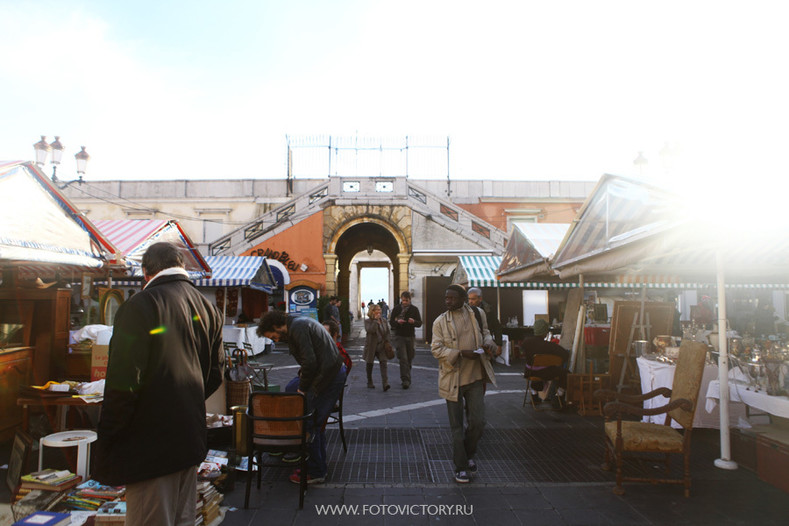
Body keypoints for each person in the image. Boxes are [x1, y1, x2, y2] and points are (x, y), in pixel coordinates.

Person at [95, 242, 224, 526]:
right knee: (182, 519)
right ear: (183, 266)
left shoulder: (140, 305)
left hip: (150, 445)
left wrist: (109, 435)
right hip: (189, 437)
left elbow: (124, 382)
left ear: (145, 272)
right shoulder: (208, 307)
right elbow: (215, 374)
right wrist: (185, 402)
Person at [258, 310, 346, 485]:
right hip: (329, 373)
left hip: (328, 376)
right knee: (315, 421)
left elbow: (310, 361)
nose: (275, 340)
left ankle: (316, 471)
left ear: (276, 326)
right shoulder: (298, 324)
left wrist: (303, 388)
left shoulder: (297, 327)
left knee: (309, 421)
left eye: (274, 336)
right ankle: (318, 465)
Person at [431, 284, 497, 484]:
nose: (448, 301)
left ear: (462, 298)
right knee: (456, 426)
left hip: (476, 376)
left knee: (478, 422)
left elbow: (486, 332)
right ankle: (461, 467)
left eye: (452, 298)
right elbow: (436, 349)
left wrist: (489, 343)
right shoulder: (440, 322)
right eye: (446, 298)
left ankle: (468, 454)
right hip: (453, 379)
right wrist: (459, 353)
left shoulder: (477, 313)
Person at [521, 319, 569, 411]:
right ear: (545, 332)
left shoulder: (526, 342)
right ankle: (558, 396)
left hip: (530, 372)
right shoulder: (549, 346)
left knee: (535, 369)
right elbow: (565, 355)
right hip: (546, 373)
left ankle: (535, 397)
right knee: (565, 373)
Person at [389, 291, 422, 389]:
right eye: (403, 300)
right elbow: (391, 322)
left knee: (410, 357)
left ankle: (406, 375)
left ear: (409, 300)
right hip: (399, 336)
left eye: (406, 301)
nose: (404, 302)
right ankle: (405, 380)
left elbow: (419, 323)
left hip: (410, 336)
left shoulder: (414, 309)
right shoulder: (397, 309)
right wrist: (397, 322)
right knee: (403, 358)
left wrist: (414, 322)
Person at [364, 303, 391, 391]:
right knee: (369, 363)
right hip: (371, 345)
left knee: (384, 363)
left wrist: (387, 341)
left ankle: (385, 383)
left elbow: (387, 332)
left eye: (380, 309)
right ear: (372, 311)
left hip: (381, 345)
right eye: (377, 310)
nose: (379, 311)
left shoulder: (384, 320)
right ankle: (369, 381)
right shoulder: (368, 321)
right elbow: (370, 330)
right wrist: (375, 321)